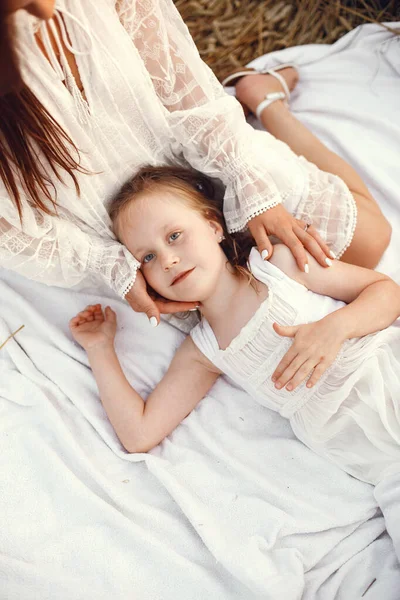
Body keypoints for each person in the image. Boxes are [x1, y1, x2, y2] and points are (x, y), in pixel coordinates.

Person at [69, 164, 400, 555]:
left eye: (175, 236)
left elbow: (385, 291)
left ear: (213, 227)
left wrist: (336, 327)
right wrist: (99, 349)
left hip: (386, 373)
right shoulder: (204, 351)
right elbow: (139, 434)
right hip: (374, 456)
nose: (168, 261)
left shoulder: (277, 266)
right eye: (147, 258)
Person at [0, 1, 391, 328]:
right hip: (128, 241)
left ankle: (266, 101)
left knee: (371, 243)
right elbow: (11, 232)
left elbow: (185, 90)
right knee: (247, 321)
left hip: (206, 160)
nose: (41, 8)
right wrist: (109, 266)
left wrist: (247, 180)